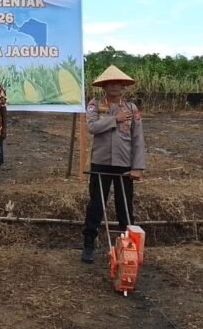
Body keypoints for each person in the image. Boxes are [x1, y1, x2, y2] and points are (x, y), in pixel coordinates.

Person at [81, 65, 145, 264]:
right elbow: (92, 126)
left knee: (124, 206)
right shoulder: (95, 105)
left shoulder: (131, 109)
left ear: (122, 86)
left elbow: (138, 138)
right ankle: (88, 245)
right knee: (96, 205)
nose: (114, 86)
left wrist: (137, 167)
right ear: (104, 86)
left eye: (118, 83)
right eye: (110, 83)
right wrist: (114, 119)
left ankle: (129, 247)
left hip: (124, 165)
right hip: (100, 163)